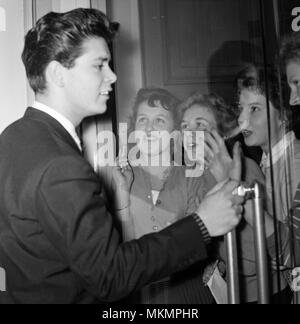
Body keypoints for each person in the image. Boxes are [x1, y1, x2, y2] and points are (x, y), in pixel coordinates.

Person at [0, 8, 244, 304]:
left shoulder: (13, 137)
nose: (112, 76)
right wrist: (202, 223)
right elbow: (109, 276)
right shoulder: (62, 165)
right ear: (57, 74)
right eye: (99, 65)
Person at [105, 88, 218, 304]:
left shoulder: (193, 177)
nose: (148, 129)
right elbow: (116, 254)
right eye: (142, 120)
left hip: (185, 294)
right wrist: (122, 195)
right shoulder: (120, 177)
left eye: (159, 121)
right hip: (136, 295)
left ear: (175, 131)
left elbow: (198, 243)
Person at [179, 92, 285, 303]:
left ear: (221, 134)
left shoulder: (244, 167)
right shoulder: (192, 175)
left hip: (263, 293)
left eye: (199, 125)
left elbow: (254, 258)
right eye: (184, 126)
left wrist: (216, 260)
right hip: (229, 292)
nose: (190, 134)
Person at [237, 64, 300, 302]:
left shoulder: (295, 163)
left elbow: (287, 252)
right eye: (240, 108)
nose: (241, 119)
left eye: (254, 109)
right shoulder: (265, 160)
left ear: (283, 115)